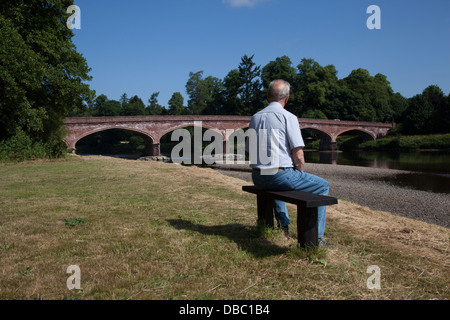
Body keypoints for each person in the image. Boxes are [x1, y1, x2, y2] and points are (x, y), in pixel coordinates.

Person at [249, 79, 332, 246]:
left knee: (277, 181)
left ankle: (283, 225)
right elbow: (298, 155)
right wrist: (299, 171)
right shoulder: (288, 117)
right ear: (287, 98)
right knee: (322, 185)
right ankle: (317, 237)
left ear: (267, 96)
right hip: (278, 176)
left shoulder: (255, 117)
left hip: (257, 176)